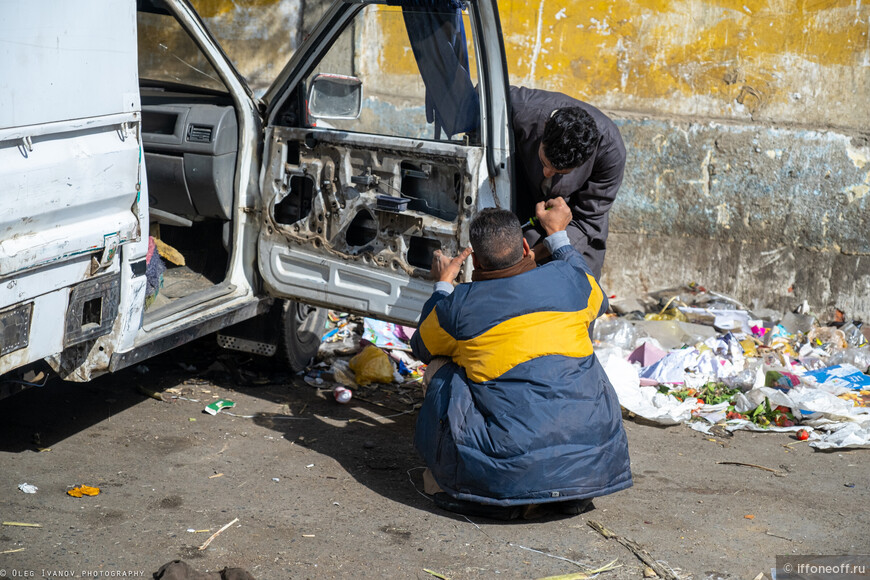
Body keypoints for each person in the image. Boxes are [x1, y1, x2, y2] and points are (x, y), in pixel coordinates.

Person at [411, 197, 632, 520]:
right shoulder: (571, 281)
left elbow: (422, 346)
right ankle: (563, 488)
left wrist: (443, 286)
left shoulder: (460, 305)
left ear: (477, 266)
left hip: (507, 475)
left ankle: (474, 485)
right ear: (527, 251)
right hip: (594, 467)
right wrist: (557, 235)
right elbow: (595, 298)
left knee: (440, 369)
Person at [511, 85, 626, 279]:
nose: (547, 174)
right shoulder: (522, 107)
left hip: (576, 226)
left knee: (579, 289)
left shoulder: (610, 152)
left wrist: (536, 253)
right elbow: (476, 96)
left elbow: (587, 220)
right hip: (523, 200)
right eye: (543, 162)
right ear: (546, 126)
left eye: (559, 172)